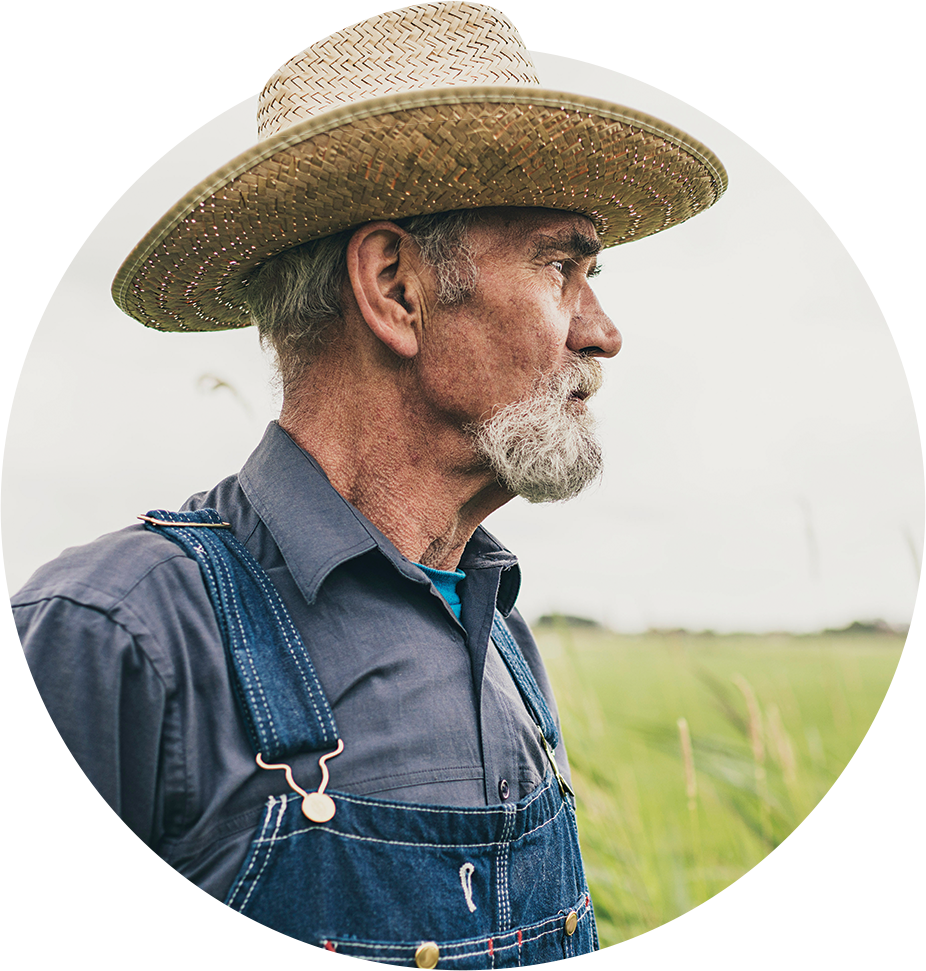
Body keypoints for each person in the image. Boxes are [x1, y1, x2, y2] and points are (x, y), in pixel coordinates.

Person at [12, 2, 726, 968]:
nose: (601, 331)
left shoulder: (498, 629)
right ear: (394, 287)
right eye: (562, 265)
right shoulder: (117, 635)